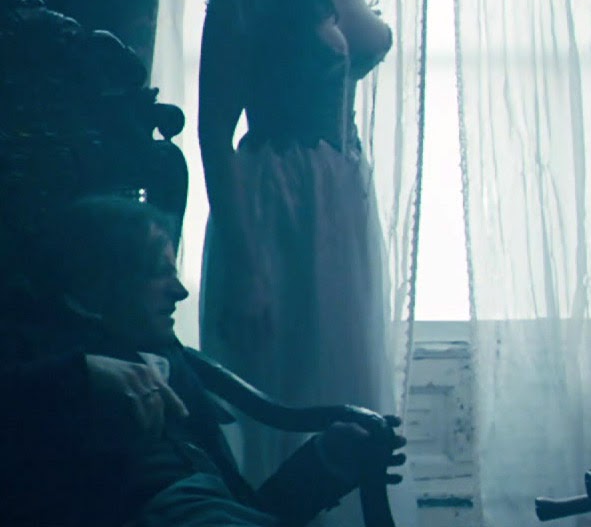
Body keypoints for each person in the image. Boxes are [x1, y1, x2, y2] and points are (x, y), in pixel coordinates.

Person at [0, 195, 405, 527]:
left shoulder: (175, 364)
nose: (179, 291)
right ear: (95, 282)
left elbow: (247, 509)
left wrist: (326, 461)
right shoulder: (37, 355)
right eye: (158, 273)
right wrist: (84, 374)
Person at [198, 0, 395, 486]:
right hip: (278, 199)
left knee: (343, 368)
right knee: (289, 374)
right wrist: (246, 264)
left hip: (341, 193)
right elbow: (214, 133)